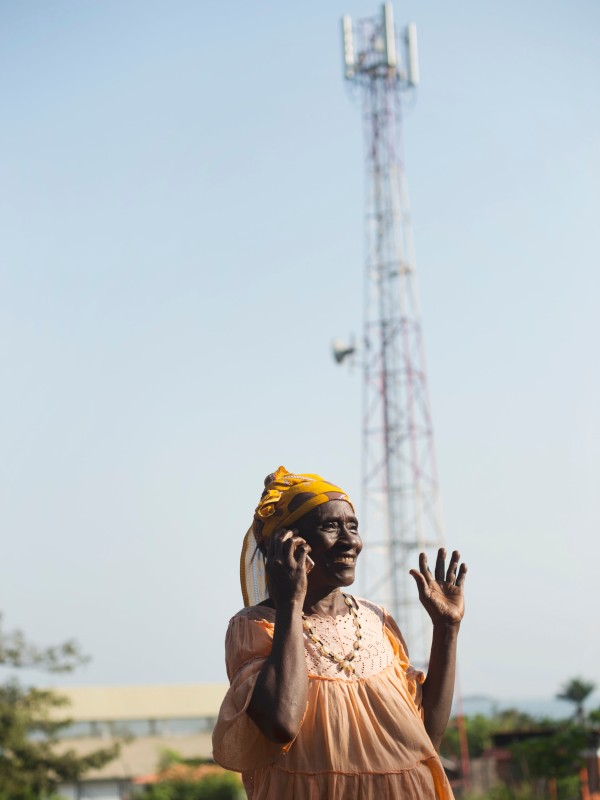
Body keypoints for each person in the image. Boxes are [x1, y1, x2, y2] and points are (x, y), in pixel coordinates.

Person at [212, 467, 467, 800]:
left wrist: (446, 629)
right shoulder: (257, 626)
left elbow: (425, 738)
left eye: (353, 526)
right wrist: (291, 602)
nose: (350, 541)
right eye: (330, 526)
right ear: (284, 544)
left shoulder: (378, 620)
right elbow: (281, 724)